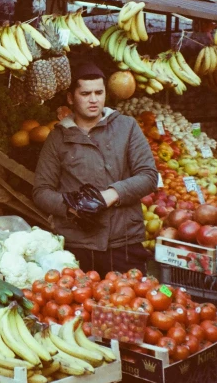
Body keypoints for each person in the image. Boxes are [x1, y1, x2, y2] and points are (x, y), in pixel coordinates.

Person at [33, 60, 158, 274]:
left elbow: (148, 175)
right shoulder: (58, 137)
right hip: (77, 244)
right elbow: (41, 191)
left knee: (129, 304)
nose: (93, 100)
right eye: (85, 94)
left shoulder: (127, 127)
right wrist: (70, 207)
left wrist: (112, 194)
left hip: (124, 242)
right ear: (71, 98)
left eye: (99, 93)